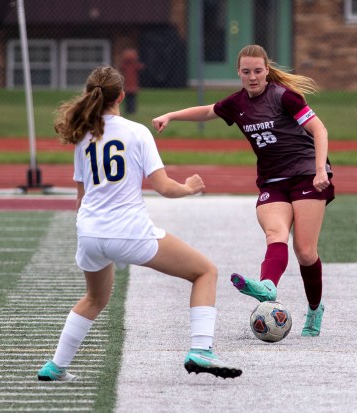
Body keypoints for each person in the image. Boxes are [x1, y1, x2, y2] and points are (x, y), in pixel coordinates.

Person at [37, 66, 242, 381]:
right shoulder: (136, 132)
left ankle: (55, 366)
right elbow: (164, 187)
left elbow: (81, 197)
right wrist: (189, 186)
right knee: (205, 272)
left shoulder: (82, 137)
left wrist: (88, 233)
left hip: (89, 232)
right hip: (129, 232)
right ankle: (201, 350)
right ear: (121, 95)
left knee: (95, 299)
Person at [152, 45, 334, 337]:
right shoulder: (236, 103)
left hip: (305, 176)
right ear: (238, 72)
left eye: (258, 71)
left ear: (266, 70)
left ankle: (315, 308)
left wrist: (320, 169)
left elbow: (319, 130)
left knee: (305, 250)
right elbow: (207, 111)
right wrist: (170, 115)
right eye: (246, 72)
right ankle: (268, 286)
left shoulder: (284, 96)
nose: (252, 77)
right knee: (275, 234)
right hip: (272, 180)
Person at [119, 48, 144, 114]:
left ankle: (129, 110)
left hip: (128, 85)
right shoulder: (134, 65)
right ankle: (131, 110)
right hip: (132, 85)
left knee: (129, 98)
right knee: (132, 99)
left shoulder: (125, 65)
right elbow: (140, 67)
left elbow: (121, 68)